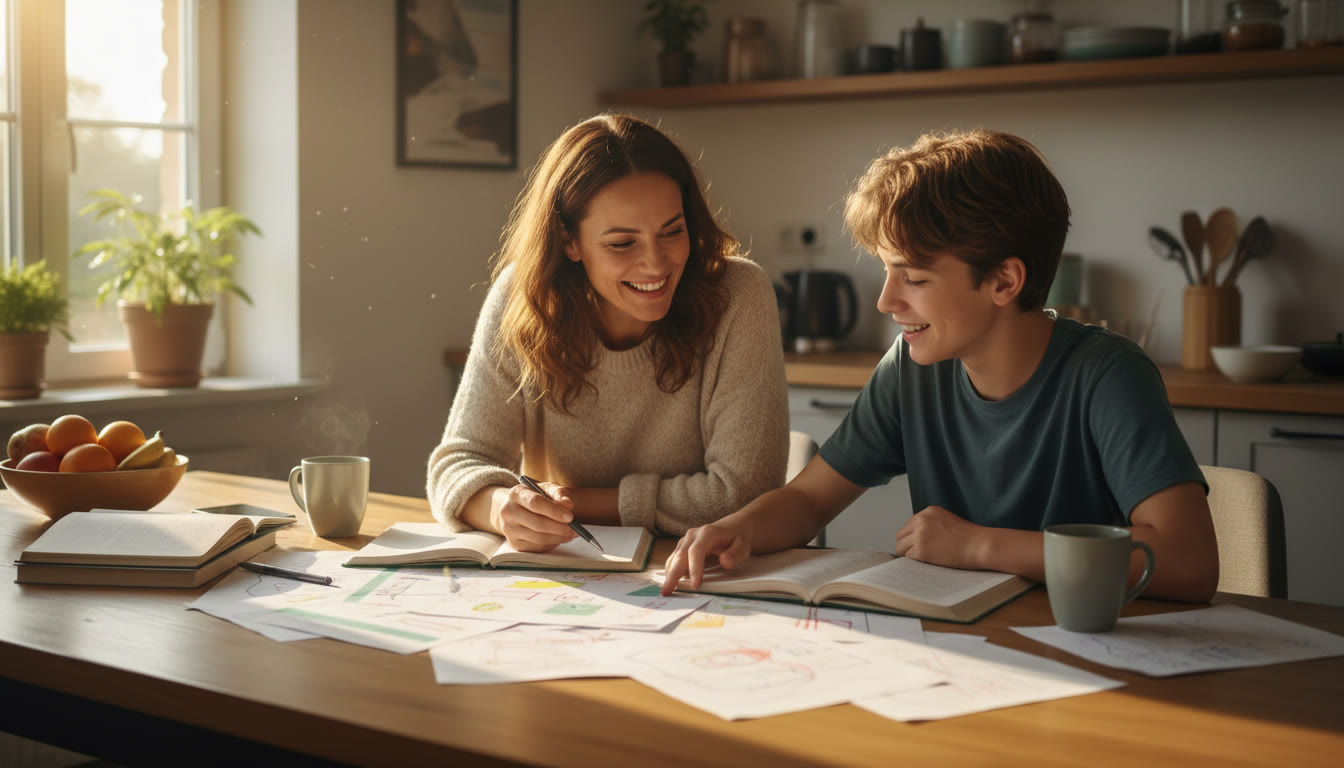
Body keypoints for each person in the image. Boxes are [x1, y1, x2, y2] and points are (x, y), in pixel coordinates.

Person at [662, 129, 1219, 602]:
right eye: (886, 271)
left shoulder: (1107, 376)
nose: (885, 301)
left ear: (1004, 281)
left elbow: (1188, 563)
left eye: (916, 278)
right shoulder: (912, 366)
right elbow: (809, 500)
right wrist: (732, 530)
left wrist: (980, 545)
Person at [427, 114, 788, 553]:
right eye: (623, 243)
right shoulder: (522, 297)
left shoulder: (739, 296)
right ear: (569, 242)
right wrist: (501, 505)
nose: (656, 264)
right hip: (561, 579)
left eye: (672, 231)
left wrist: (570, 502)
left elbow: (744, 498)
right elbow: (457, 465)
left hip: (698, 575)